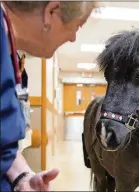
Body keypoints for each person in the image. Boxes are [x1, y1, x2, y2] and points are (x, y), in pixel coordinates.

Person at [1, 2, 99, 191]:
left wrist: (21, 177)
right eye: (77, 27)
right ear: (51, 13)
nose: (73, 38)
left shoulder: (8, 49)